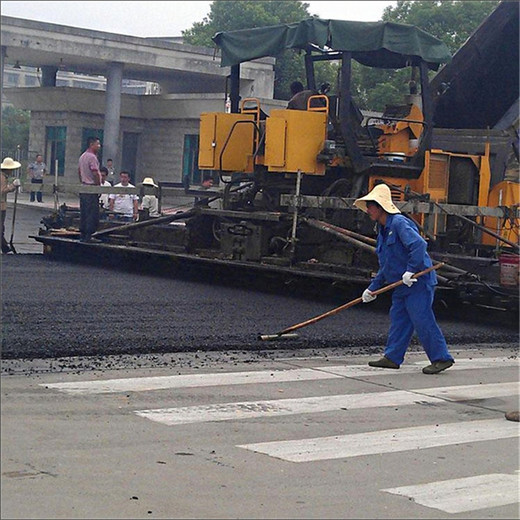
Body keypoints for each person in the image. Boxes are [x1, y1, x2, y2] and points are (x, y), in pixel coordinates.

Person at [354, 183, 455, 375]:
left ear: (380, 206)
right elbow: (387, 265)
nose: (367, 210)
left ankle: (441, 358)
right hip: (401, 284)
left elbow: (418, 245)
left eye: (370, 206)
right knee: (399, 319)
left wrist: (410, 270)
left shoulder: (399, 223)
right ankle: (392, 357)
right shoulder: (383, 231)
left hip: (418, 281)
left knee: (422, 319)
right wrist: (372, 289)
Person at [78, 136, 102, 242]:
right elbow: (95, 172)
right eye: (98, 144)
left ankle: (83, 234)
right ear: (91, 144)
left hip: (84, 187)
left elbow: (79, 172)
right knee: (92, 213)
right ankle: (89, 235)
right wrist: (98, 186)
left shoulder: (82, 156)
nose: (99, 146)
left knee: (84, 212)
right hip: (91, 188)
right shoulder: (92, 157)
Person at [1, 157, 21, 254]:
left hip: (2, 205)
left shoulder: (4, 176)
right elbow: (2, 191)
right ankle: (4, 247)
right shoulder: (1, 177)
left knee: (1, 228)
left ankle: (4, 247)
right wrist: (12, 185)